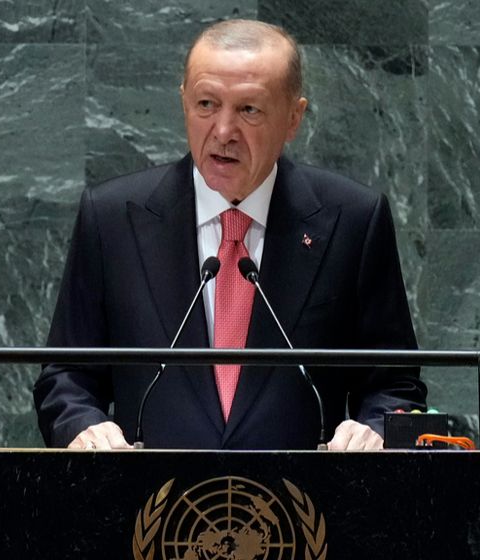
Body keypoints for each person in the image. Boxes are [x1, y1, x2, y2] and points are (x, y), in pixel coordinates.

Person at [34, 19, 425, 451]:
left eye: (249, 110)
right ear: (183, 101)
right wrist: (84, 427)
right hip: (152, 508)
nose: (223, 131)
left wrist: (375, 429)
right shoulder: (112, 219)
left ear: (294, 117)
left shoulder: (352, 220)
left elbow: (395, 386)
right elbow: (65, 378)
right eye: (206, 104)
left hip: (302, 510)